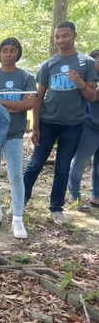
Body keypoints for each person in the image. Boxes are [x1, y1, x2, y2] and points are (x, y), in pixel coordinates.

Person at [23, 21, 98, 224]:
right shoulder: (48, 64)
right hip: (47, 123)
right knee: (35, 164)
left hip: (74, 125)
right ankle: (20, 202)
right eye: (57, 37)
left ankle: (56, 208)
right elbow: (39, 96)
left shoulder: (86, 63)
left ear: (75, 35)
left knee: (63, 167)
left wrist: (80, 82)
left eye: (65, 36)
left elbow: (92, 97)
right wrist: (35, 126)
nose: (60, 40)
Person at [0, 38, 36, 238]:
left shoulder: (26, 77)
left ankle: (18, 219)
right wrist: (16, 105)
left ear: (17, 54)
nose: (8, 54)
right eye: (4, 50)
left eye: (12, 50)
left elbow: (28, 106)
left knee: (15, 175)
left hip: (15, 133)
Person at [68, 49, 99, 207]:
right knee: (80, 162)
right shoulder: (88, 78)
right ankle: (74, 196)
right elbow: (94, 96)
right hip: (90, 126)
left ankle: (96, 196)